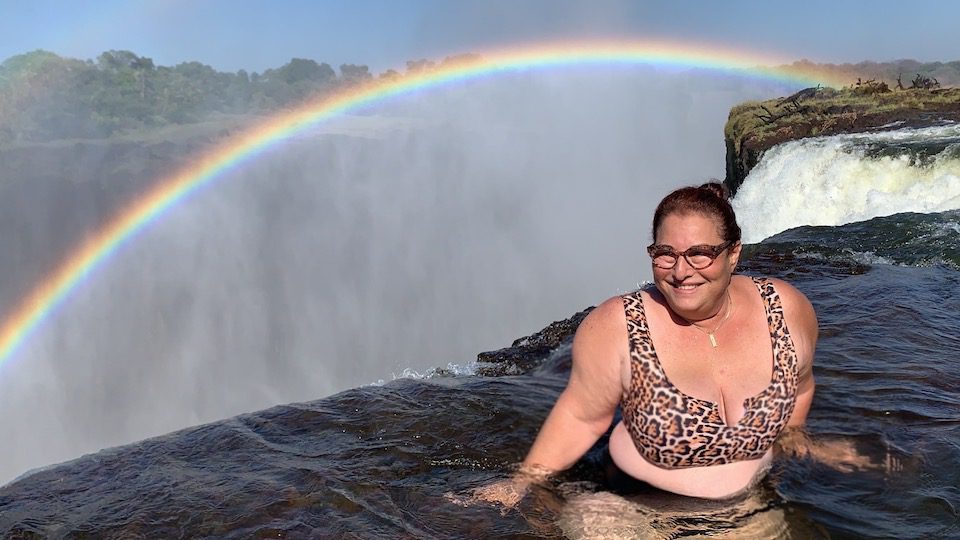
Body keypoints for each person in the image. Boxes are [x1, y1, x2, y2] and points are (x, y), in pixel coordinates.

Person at [472, 182, 852, 508]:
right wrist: (521, 482)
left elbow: (801, 385)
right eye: (665, 254)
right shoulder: (617, 325)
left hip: (753, 504)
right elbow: (581, 415)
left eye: (699, 253)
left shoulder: (786, 309)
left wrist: (793, 436)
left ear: (733, 253)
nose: (681, 271)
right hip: (635, 505)